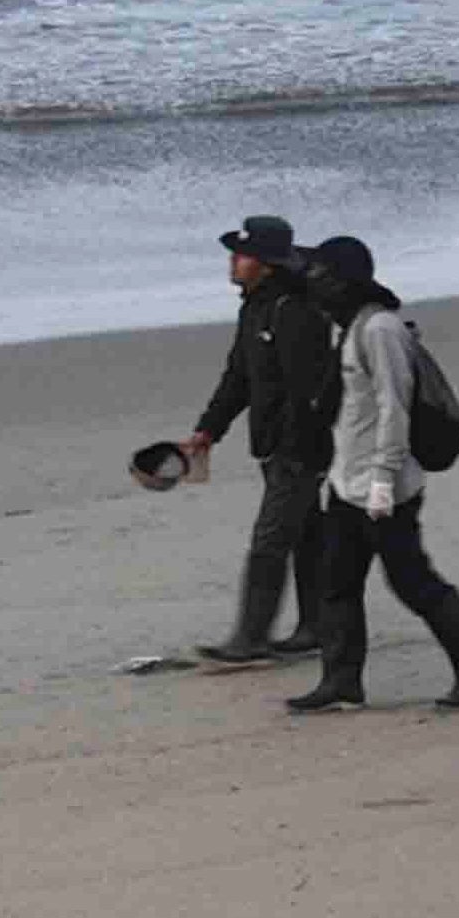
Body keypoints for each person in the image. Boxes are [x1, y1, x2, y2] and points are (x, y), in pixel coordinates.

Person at [285, 235, 459, 717]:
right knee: (336, 583)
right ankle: (341, 682)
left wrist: (383, 477)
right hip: (347, 483)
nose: (314, 282)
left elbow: (394, 405)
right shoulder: (350, 326)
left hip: (387, 489)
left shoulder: (380, 330)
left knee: (414, 582)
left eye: (321, 275)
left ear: (345, 281)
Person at [182, 213, 334, 665]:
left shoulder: (293, 308)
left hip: (297, 448)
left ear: (266, 263)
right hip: (275, 446)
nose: (234, 260)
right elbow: (239, 375)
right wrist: (209, 429)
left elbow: (306, 388)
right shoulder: (254, 305)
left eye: (243, 254)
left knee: (271, 539)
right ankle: (315, 627)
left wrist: (293, 446)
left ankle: (251, 637)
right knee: (305, 533)